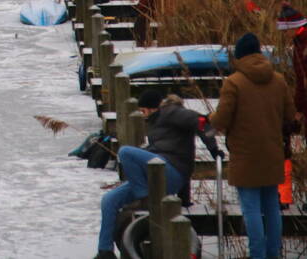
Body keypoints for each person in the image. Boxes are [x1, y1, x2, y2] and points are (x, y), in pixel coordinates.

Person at [95, 90, 220, 259]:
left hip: (171, 174)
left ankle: (144, 198)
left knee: (125, 152)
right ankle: (105, 252)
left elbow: (201, 122)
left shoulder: (171, 112)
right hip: (155, 177)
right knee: (109, 200)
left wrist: (214, 150)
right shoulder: (156, 121)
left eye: (143, 110)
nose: (142, 114)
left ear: (153, 108)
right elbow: (163, 148)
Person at [211, 31, 297, 259]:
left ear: (239, 56)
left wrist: (208, 119)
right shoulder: (278, 80)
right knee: (271, 207)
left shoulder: (234, 82)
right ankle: (273, 253)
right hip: (272, 153)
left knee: (251, 210)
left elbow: (221, 120)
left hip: (245, 155)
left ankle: (257, 255)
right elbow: (290, 116)